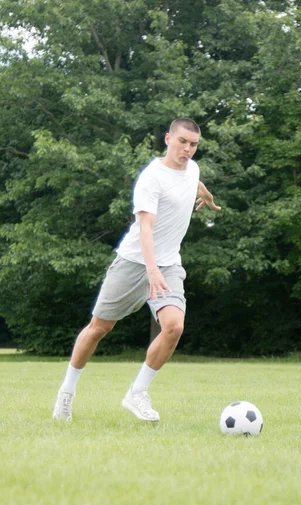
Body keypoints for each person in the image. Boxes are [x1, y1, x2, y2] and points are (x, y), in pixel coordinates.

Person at [52, 118, 221, 422]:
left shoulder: (192, 168)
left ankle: (137, 392)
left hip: (169, 264)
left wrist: (205, 196)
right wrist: (151, 270)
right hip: (133, 262)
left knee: (174, 326)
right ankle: (66, 392)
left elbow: (191, 182)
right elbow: (145, 228)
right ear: (168, 138)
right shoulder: (151, 178)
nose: (188, 149)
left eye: (193, 144)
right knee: (99, 329)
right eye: (182, 141)